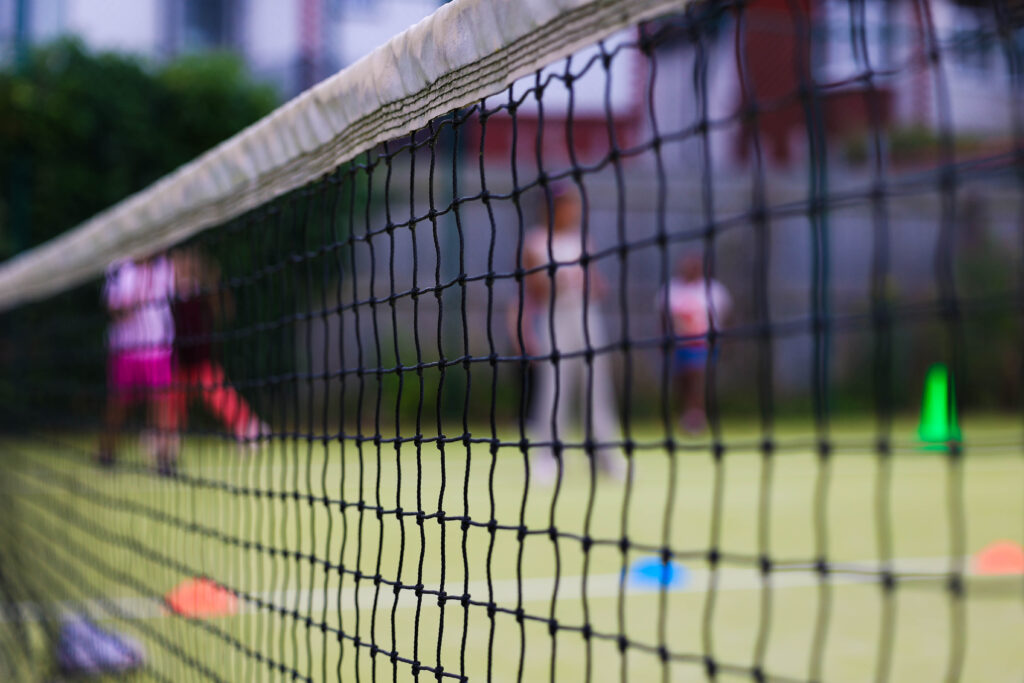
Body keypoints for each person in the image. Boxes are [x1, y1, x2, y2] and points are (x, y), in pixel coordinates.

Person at [518, 185, 624, 483]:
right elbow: (535, 289)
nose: (572, 210)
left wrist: (587, 281)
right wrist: (559, 280)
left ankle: (606, 459)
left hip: (587, 317)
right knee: (553, 389)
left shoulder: (582, 240)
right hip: (554, 318)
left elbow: (598, 285)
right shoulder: (536, 241)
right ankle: (547, 459)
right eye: (566, 204)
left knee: (596, 386)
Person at [170, 248, 267, 450]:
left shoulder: (205, 290)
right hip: (178, 363)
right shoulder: (167, 292)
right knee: (169, 405)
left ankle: (249, 429)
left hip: (202, 360)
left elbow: (225, 312)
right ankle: (165, 440)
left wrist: (215, 284)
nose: (184, 264)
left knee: (224, 397)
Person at [98, 254, 179, 474]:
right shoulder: (119, 268)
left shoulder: (164, 266)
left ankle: (164, 459)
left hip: (157, 347)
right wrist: (133, 300)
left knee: (162, 402)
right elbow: (113, 309)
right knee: (118, 403)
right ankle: (106, 453)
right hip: (126, 348)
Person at [661, 254, 732, 434]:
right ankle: (684, 417)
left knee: (697, 379)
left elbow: (727, 317)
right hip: (678, 345)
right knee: (681, 382)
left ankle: (696, 419)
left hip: (703, 344)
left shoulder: (714, 290)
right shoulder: (671, 289)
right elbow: (663, 319)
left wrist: (725, 340)